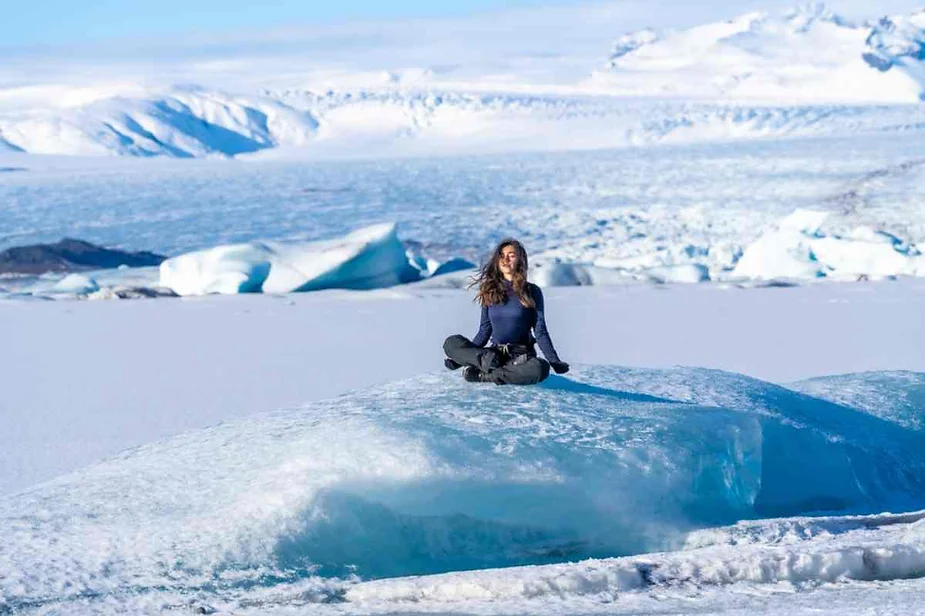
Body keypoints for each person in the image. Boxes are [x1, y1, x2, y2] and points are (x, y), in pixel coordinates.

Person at [443, 238, 569, 385]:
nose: (505, 259)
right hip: (492, 356)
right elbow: (484, 331)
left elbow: (540, 331)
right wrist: (462, 358)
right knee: (451, 342)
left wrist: (554, 361)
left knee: (540, 368)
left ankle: (483, 376)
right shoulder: (489, 291)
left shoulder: (532, 291)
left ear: (520, 260)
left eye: (511, 255)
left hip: (521, 358)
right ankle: (488, 367)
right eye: (501, 255)